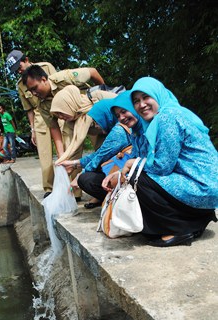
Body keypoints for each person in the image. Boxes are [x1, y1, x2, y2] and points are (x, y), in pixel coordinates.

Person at [102, 77, 218, 247]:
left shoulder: (167, 117)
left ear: (158, 95)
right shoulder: (155, 121)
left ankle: (180, 229)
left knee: (138, 179)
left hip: (202, 186)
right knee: (136, 175)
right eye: (136, 101)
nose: (141, 105)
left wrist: (130, 164)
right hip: (201, 184)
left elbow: (161, 167)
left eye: (146, 97)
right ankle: (193, 222)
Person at [59, 92, 139, 208]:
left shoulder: (119, 131)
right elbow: (100, 154)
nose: (96, 126)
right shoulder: (126, 125)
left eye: (96, 122)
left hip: (132, 175)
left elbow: (100, 156)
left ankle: (115, 199)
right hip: (130, 170)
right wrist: (74, 163)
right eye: (118, 115)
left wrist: (78, 176)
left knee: (85, 179)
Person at [21, 64, 106, 160]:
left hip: (91, 112)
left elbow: (92, 72)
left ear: (44, 79)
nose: (34, 93)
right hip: (70, 122)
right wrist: (61, 154)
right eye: (31, 91)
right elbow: (53, 127)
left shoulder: (64, 78)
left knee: (103, 150)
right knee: (69, 157)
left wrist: (104, 96)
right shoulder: (42, 104)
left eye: (35, 88)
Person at [6, 49, 57, 198]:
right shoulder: (21, 84)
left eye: (19, 67)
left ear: (26, 59)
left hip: (56, 109)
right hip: (39, 115)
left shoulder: (46, 67)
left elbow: (58, 89)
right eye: (15, 70)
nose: (19, 71)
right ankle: (49, 188)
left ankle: (74, 187)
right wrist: (33, 129)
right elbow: (28, 109)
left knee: (67, 147)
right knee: (44, 153)